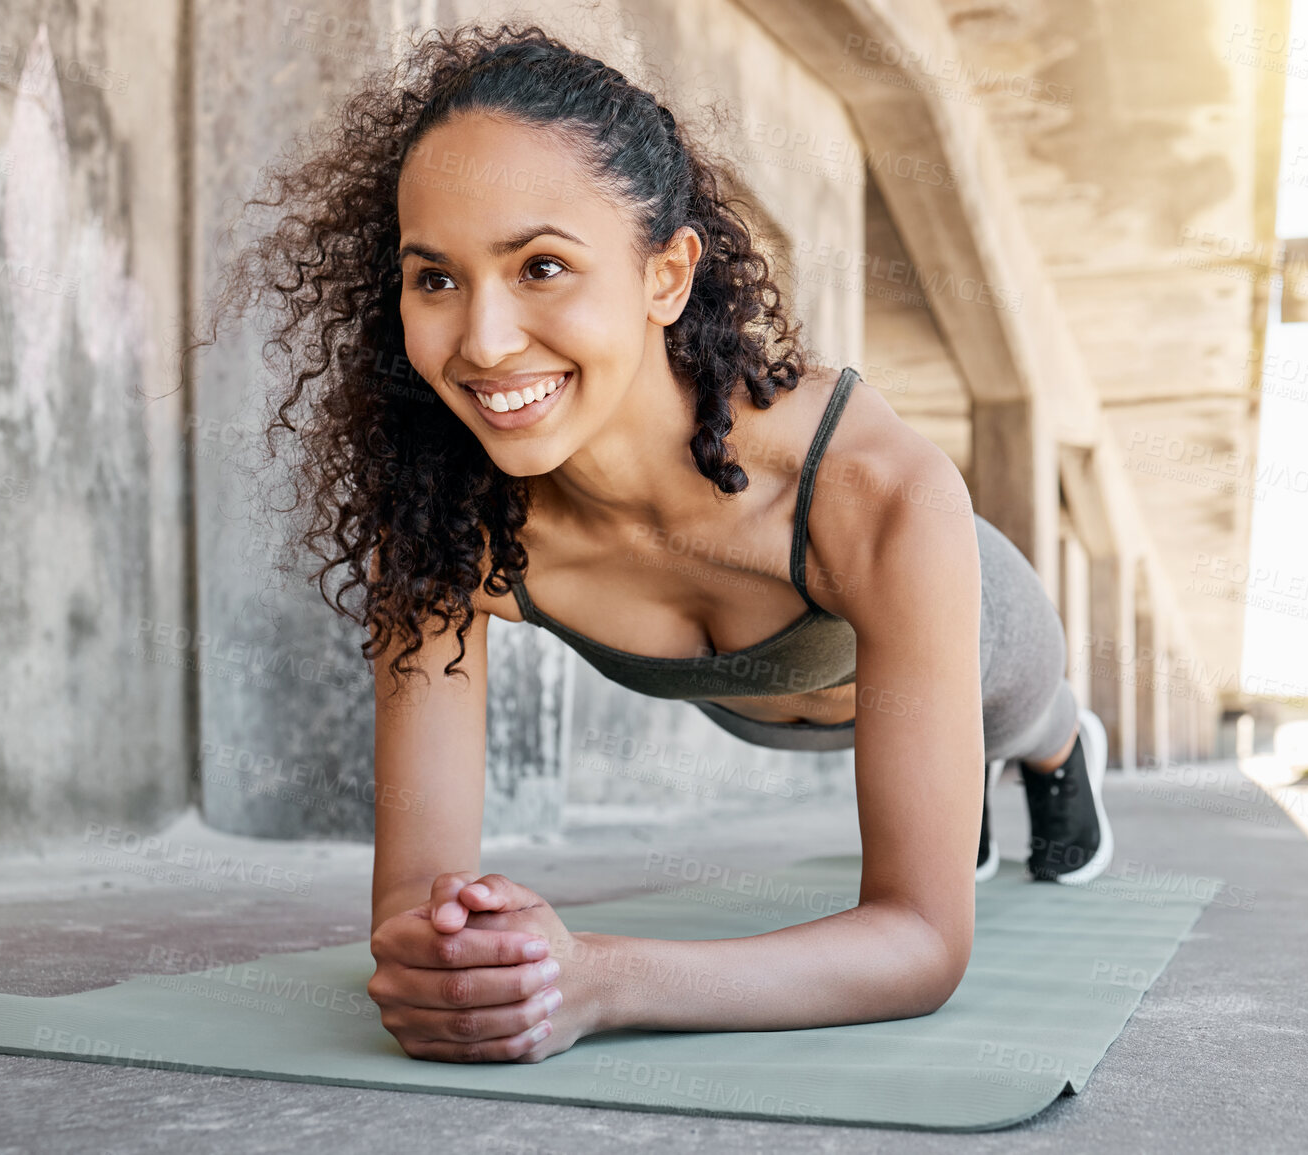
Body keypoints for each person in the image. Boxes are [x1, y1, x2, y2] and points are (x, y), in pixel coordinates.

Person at [224, 23, 1112, 1066]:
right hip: (767, 716)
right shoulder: (441, 530)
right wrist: (467, 960)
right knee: (929, 820)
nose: (485, 340)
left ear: (666, 274)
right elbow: (415, 909)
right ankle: (945, 802)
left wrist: (599, 980)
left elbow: (920, 946)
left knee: (1022, 721)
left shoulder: (875, 491)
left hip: (994, 647)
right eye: (437, 279)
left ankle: (1059, 754)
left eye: (542, 265)